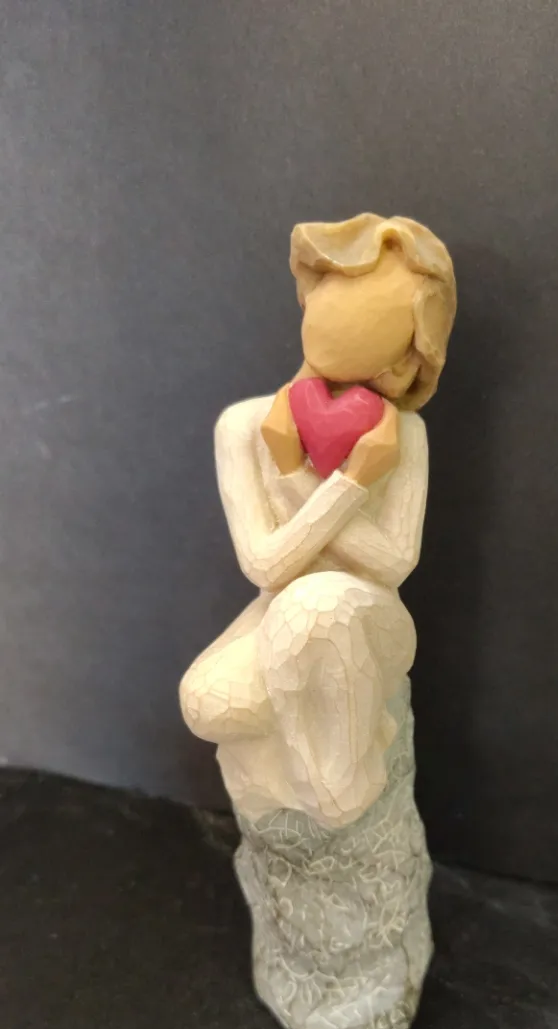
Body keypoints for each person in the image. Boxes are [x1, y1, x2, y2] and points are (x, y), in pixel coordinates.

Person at [180, 213, 456, 828]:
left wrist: (325, 479)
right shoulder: (246, 426)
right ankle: (335, 739)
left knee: (317, 607)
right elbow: (265, 565)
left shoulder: (403, 433)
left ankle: (339, 793)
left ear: (409, 356)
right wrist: (336, 481)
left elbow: (393, 564)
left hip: (369, 619)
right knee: (207, 701)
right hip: (279, 610)